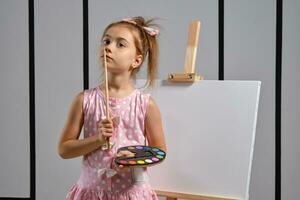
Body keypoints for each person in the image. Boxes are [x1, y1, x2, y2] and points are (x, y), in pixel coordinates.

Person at [58, 16, 166, 200]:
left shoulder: (145, 105)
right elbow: (64, 149)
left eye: (120, 44)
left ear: (136, 60)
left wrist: (132, 158)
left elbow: (159, 151)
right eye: (106, 41)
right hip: (90, 193)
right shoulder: (84, 100)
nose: (108, 47)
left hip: (131, 194)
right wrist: (98, 139)